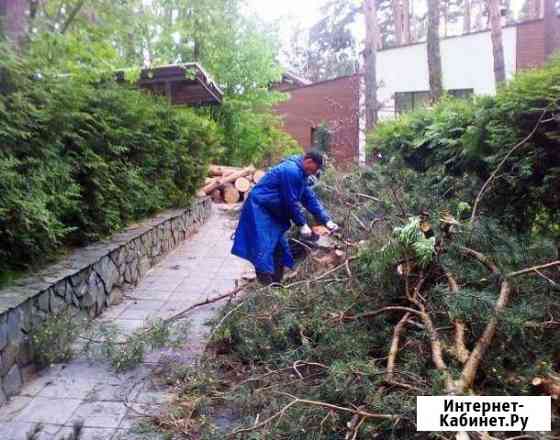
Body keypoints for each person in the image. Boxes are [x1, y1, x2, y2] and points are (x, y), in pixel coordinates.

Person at [231, 152, 338, 285]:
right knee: (263, 249)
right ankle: (267, 291)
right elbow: (290, 201)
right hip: (260, 209)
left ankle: (277, 285)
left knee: (280, 249)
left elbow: (309, 199)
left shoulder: (301, 174)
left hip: (273, 211)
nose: (313, 173)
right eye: (314, 169)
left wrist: (327, 220)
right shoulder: (291, 171)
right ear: (308, 161)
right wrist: (302, 224)